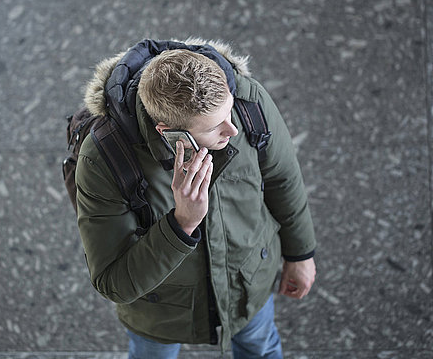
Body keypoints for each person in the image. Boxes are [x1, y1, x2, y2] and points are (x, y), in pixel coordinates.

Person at [75, 38, 316, 358]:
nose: (232, 130)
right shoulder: (104, 158)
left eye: (230, 112)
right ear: (169, 132)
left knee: (260, 349)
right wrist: (181, 224)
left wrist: (300, 255)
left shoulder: (247, 100)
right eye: (216, 126)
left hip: (248, 284)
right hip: (158, 313)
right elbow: (113, 282)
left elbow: (283, 179)